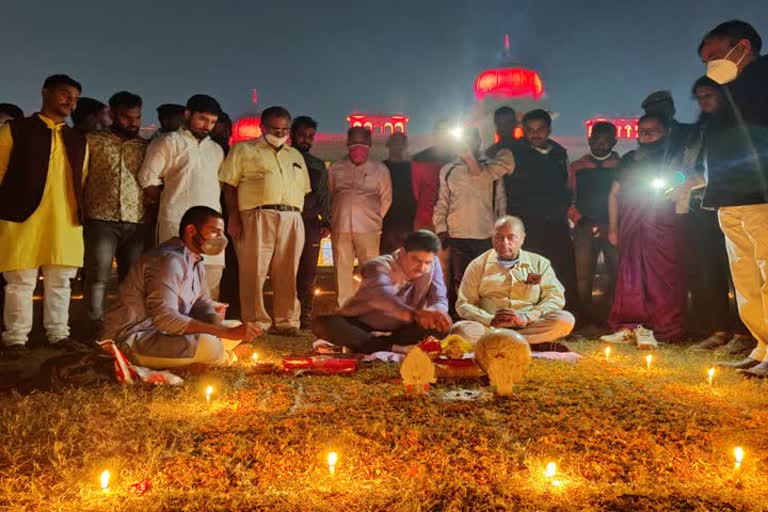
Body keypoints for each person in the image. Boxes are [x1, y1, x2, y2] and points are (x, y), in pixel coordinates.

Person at [102, 206, 262, 369]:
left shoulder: (194, 259)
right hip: (136, 338)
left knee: (233, 325)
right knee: (210, 345)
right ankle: (226, 357)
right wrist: (223, 333)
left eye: (221, 233)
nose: (221, 238)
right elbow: (165, 318)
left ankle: (211, 355)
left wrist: (215, 320)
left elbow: (199, 300)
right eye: (214, 231)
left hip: (166, 333)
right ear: (191, 230)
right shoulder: (168, 261)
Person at [696, 21, 768, 377]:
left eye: (714, 54)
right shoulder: (731, 93)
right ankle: (762, 346)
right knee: (746, 279)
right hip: (730, 198)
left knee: (767, 272)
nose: (710, 64)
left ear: (742, 46)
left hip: (760, 196)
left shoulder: (763, 82)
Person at [0, 74, 88, 354]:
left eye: (74, 99)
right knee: (20, 281)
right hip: (21, 216)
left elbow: (81, 178)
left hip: (65, 219)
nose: (70, 103)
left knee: (61, 281)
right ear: (45, 93)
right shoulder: (16, 129)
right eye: (64, 95)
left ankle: (58, 334)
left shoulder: (77, 139)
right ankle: (15, 338)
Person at [220, 106, 310, 336]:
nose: (280, 134)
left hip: (291, 217)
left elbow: (304, 190)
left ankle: (287, 321)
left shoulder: (295, 155)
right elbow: (230, 186)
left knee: (288, 271)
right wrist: (234, 217)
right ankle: (256, 322)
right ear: (262, 128)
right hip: (257, 215)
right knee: (253, 271)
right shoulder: (243, 150)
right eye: (275, 129)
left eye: (284, 130)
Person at [680, 77, 755, 354]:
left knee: (738, 273)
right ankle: (719, 329)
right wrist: (681, 182)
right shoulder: (701, 129)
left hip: (732, 205)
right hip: (700, 208)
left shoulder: (737, 124)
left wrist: (699, 180)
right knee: (708, 271)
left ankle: (745, 332)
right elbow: (689, 166)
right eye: (699, 97)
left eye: (709, 95)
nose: (704, 102)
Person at [601, 113, 686, 348]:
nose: (646, 135)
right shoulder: (629, 159)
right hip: (632, 224)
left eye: (653, 130)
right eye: (642, 131)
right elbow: (614, 193)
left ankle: (663, 327)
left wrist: (674, 178)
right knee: (631, 275)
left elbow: (683, 178)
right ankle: (631, 326)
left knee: (662, 277)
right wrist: (614, 228)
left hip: (662, 224)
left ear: (665, 132)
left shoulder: (672, 157)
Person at [138, 94, 226, 300]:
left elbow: (217, 187)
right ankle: (175, 328)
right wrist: (171, 202)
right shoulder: (168, 142)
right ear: (187, 114)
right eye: (202, 119)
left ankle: (206, 328)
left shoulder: (216, 150)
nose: (207, 126)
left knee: (211, 278)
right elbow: (148, 179)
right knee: (175, 277)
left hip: (212, 226)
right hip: (176, 222)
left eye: (212, 122)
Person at [313, 230, 451, 354]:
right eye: (416, 260)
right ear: (403, 252)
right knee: (326, 325)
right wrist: (415, 315)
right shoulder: (378, 266)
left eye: (427, 262)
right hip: (362, 325)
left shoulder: (433, 265)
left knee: (440, 329)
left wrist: (436, 314)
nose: (422, 267)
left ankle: (370, 345)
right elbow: (382, 298)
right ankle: (391, 347)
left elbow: (439, 298)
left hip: (401, 330)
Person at [82, 91, 149, 339]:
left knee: (131, 279)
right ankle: (95, 325)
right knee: (97, 274)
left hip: (136, 219)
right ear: (111, 114)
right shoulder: (93, 141)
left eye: (137, 117)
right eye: (126, 117)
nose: (133, 122)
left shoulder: (144, 146)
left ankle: (127, 326)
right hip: (101, 217)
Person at [453, 216, 575, 350]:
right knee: (461, 331)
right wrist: (490, 319)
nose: (504, 243)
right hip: (490, 327)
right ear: (492, 238)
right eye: (499, 237)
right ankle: (531, 344)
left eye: (511, 237)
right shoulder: (477, 265)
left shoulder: (540, 263)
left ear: (522, 238)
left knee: (565, 320)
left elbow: (555, 297)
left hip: (528, 325)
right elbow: (463, 304)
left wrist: (525, 317)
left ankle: (500, 343)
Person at [503, 109, 579, 318]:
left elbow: (566, 185)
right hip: (527, 224)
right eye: (530, 130)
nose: (535, 134)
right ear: (523, 131)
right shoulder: (512, 153)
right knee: (530, 272)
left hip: (556, 223)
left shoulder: (559, 153)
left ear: (549, 130)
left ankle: (566, 317)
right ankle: (527, 316)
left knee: (561, 269)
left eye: (540, 129)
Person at [433, 126, 515, 316]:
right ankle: (463, 320)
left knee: (486, 280)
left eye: (472, 140)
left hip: (486, 233)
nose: (467, 144)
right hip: (458, 234)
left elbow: (500, 201)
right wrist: (441, 229)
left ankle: (486, 319)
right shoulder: (449, 170)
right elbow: (442, 201)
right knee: (461, 280)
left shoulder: (491, 169)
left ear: (479, 142)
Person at [328, 126, 392, 308]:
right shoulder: (336, 168)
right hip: (341, 227)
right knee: (341, 270)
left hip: (369, 229)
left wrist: (373, 217)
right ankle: (345, 310)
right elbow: (332, 194)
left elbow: (386, 198)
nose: (358, 147)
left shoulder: (380, 170)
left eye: (362, 143)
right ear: (347, 143)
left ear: (370, 144)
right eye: (354, 143)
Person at [568, 121, 621, 328]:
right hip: (584, 227)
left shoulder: (620, 167)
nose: (600, 145)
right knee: (583, 276)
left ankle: (611, 315)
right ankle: (584, 318)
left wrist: (616, 223)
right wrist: (578, 218)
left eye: (606, 141)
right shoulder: (577, 167)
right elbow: (569, 196)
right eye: (596, 140)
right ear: (589, 140)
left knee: (617, 272)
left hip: (613, 227)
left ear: (614, 142)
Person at [291, 115, 331, 329]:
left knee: (308, 272)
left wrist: (326, 221)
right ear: (292, 135)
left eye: (310, 136)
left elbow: (324, 195)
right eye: (302, 135)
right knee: (286, 269)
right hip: (287, 220)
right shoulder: (284, 159)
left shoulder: (317, 165)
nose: (306, 140)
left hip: (309, 222)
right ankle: (287, 315)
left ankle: (304, 317)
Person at [381, 132, 417, 254]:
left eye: (400, 145)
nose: (398, 147)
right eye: (395, 144)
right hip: (386, 222)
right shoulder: (380, 168)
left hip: (406, 221)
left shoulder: (412, 168)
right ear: (388, 146)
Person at [641, 90, 694, 159]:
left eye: (664, 108)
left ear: (672, 110)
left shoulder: (692, 132)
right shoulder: (645, 137)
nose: (661, 114)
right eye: (653, 112)